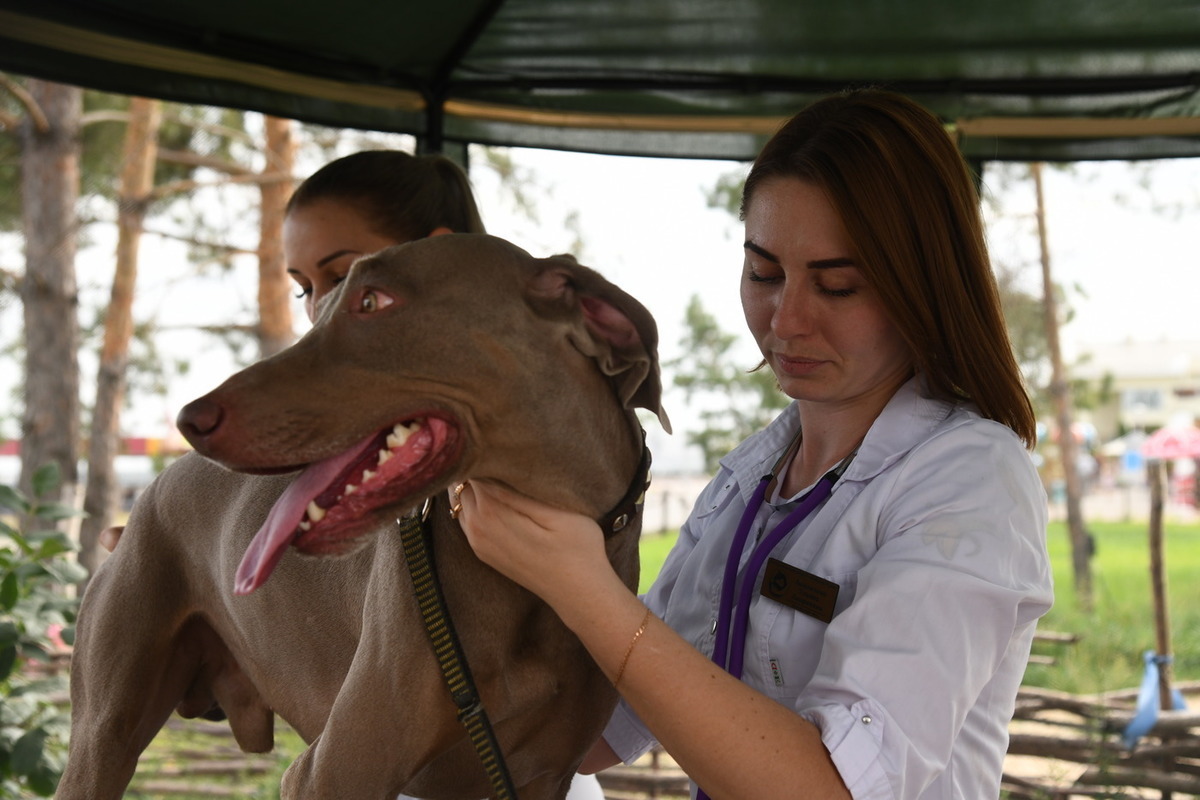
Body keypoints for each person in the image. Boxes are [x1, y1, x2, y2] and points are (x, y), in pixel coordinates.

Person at [454, 89, 1055, 800]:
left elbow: (832, 787)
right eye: (764, 273)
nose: (787, 321)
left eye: (838, 285)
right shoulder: (756, 475)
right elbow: (594, 731)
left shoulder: (971, 481)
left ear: (923, 287)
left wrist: (580, 586)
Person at [99, 148, 605, 800]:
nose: (318, 312)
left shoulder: (555, 456)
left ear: (442, 258)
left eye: (346, 281)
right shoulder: (346, 457)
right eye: (306, 288)